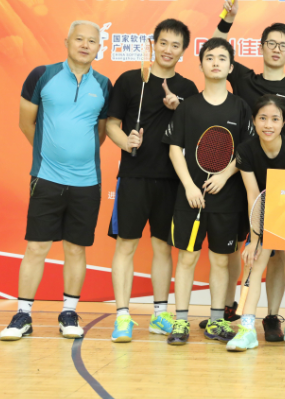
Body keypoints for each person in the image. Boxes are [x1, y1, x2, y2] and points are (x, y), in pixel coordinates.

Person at [210, 0, 285, 342]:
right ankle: (239, 317)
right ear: (261, 47)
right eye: (271, 43)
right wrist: (228, 18)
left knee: (284, 261)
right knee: (252, 252)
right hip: (247, 177)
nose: (276, 49)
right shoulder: (245, 79)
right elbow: (216, 49)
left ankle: (276, 318)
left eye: (283, 45)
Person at [0, 21, 112, 341]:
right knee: (36, 247)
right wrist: (51, 155)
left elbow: (101, 132)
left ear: (98, 47)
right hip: (46, 178)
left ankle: (68, 312)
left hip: (87, 182)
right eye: (79, 39)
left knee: (76, 249)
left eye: (92, 41)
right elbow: (26, 123)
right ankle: (23, 315)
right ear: (67, 41)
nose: (85, 45)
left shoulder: (104, 85)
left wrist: (76, 156)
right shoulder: (42, 75)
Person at [104, 19, 199, 342]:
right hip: (133, 176)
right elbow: (112, 124)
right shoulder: (131, 80)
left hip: (171, 180)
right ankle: (123, 316)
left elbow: (195, 129)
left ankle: (160, 315)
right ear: (152, 44)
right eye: (164, 43)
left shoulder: (187, 88)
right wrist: (126, 141)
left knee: (163, 247)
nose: (168, 50)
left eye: (176, 45)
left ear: (183, 51)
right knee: (126, 245)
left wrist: (178, 106)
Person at [163, 37, 255, 346]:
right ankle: (180, 321)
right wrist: (189, 185)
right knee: (187, 258)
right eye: (210, 57)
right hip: (190, 198)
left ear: (230, 67)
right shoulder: (189, 106)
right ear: (201, 64)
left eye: (222, 58)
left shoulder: (240, 107)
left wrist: (225, 175)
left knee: (220, 261)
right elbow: (174, 149)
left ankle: (217, 321)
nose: (216, 62)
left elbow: (246, 151)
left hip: (226, 199)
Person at [226, 95, 285, 352]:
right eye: (263, 118)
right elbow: (253, 194)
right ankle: (247, 330)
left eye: (275, 119)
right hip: (264, 213)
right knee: (252, 267)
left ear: (284, 122)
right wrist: (254, 239)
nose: (268, 124)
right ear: (254, 121)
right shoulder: (246, 150)